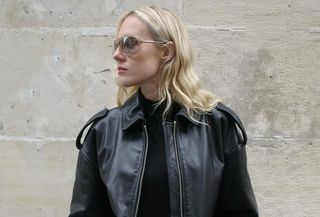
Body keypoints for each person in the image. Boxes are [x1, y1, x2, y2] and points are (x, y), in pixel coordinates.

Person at [68, 5, 258, 217]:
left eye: (129, 43)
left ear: (166, 51)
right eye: (116, 45)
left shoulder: (217, 126)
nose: (117, 55)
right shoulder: (104, 132)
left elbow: (239, 211)